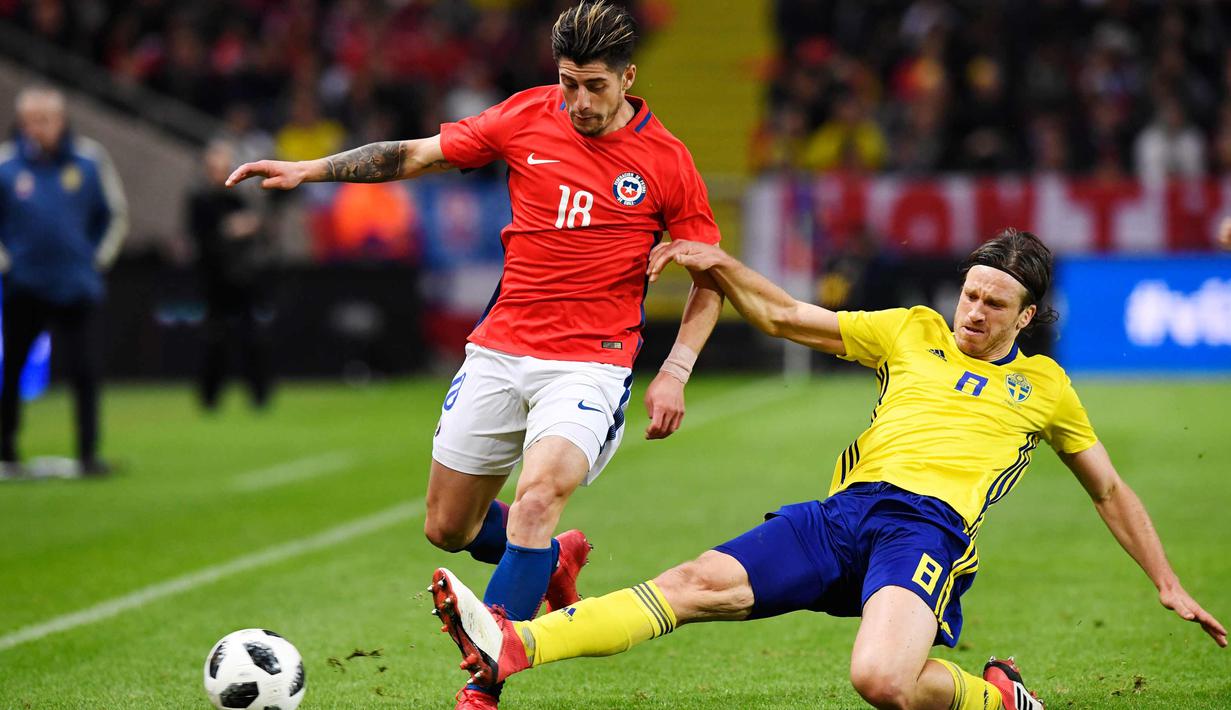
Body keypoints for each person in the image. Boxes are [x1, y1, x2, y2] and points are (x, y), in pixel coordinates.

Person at [429, 229, 1227, 710]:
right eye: (969, 294)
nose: (973, 312)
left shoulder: (1044, 388)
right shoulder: (910, 330)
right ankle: (516, 642)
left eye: (993, 304)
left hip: (925, 532)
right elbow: (783, 315)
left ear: (1025, 317)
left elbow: (1108, 489)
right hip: (840, 516)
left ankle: (995, 696)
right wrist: (719, 262)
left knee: (881, 681)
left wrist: (1164, 580)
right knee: (688, 584)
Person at [225, 3, 726, 707]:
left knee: (536, 496)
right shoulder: (527, 115)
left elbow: (713, 278)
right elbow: (416, 154)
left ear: (628, 78)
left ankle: (485, 682)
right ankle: (550, 563)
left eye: (594, 86)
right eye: (566, 83)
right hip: (500, 349)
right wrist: (311, 170)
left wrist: (674, 371)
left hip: (590, 362)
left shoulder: (666, 162)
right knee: (447, 528)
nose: (578, 102)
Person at [0, 85, 127, 477]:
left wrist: (96, 260)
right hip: (25, 285)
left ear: (61, 120)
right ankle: (6, 451)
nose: (39, 128)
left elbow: (115, 215)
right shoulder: (5, 165)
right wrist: (7, 262)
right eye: (32, 120)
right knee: (12, 370)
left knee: (85, 370)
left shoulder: (89, 161)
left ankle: (88, 453)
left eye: (46, 119)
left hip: (76, 286)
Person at [187, 139, 272, 411]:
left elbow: (261, 232)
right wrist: (230, 230)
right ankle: (210, 398)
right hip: (214, 281)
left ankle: (259, 396)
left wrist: (248, 228)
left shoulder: (239, 198)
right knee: (215, 341)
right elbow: (202, 240)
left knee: (251, 339)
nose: (218, 172)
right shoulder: (199, 201)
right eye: (214, 167)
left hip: (243, 280)